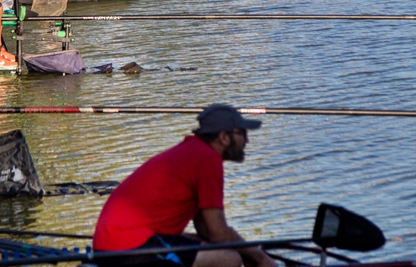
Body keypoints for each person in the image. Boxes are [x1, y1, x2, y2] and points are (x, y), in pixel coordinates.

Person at [93, 104, 278, 267]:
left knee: (217, 247)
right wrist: (261, 258)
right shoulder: (207, 159)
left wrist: (248, 252)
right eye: (242, 133)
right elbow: (218, 232)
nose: (247, 141)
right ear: (223, 137)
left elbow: (206, 229)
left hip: (114, 242)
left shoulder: (193, 151)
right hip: (126, 248)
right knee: (228, 259)